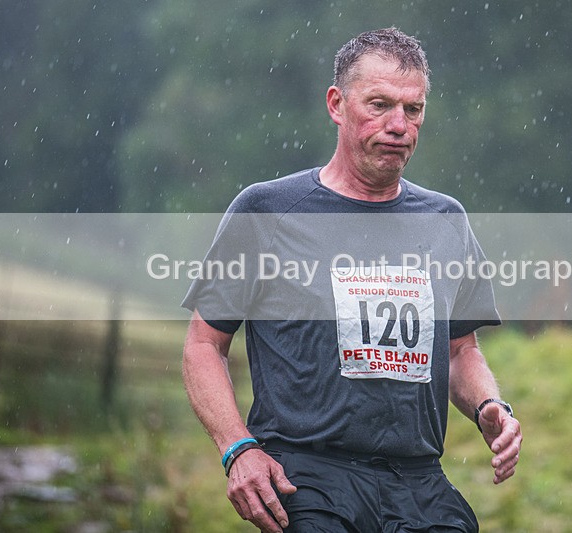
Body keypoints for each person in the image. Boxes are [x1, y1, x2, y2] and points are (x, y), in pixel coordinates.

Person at [181, 27, 522, 533]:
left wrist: (490, 406)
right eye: (380, 105)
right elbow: (203, 347)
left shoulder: (444, 219)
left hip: (419, 479)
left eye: (413, 109)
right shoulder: (268, 210)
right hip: (308, 475)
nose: (398, 125)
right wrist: (238, 449)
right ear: (337, 104)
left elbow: (458, 351)